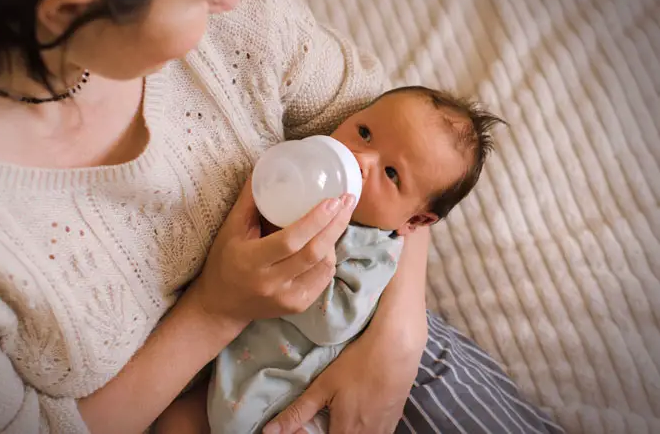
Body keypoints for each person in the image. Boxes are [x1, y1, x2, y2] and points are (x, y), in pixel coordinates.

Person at [0, 0, 563, 434]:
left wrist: (400, 330)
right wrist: (214, 311)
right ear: (71, 9)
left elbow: (394, 128)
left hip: (380, 345)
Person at [154, 86, 506, 433]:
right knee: (174, 423)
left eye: (392, 173)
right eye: (365, 132)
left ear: (413, 221)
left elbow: (335, 320)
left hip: (296, 397)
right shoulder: (306, 189)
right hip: (233, 381)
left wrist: (300, 261)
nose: (362, 160)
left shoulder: (373, 251)